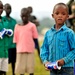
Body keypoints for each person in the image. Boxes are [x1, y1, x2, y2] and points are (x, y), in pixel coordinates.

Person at [40, 2, 75, 75]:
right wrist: (45, 61)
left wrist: (64, 60)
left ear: (67, 17)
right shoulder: (48, 33)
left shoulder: (69, 33)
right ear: (53, 15)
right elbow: (44, 49)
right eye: (57, 13)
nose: (60, 16)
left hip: (67, 69)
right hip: (53, 69)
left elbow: (74, 50)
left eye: (63, 14)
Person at [13, 8, 38, 75]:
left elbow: (35, 38)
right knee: (21, 70)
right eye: (23, 16)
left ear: (28, 16)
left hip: (30, 50)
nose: (24, 18)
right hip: (20, 50)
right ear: (21, 16)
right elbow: (15, 39)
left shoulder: (32, 26)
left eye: (26, 16)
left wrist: (36, 46)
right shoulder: (17, 26)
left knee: (30, 69)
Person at [3, 3, 17, 75]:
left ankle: (13, 73)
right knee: (5, 62)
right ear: (4, 9)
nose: (8, 10)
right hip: (5, 45)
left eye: (10, 8)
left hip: (13, 44)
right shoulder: (2, 20)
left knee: (13, 61)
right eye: (7, 8)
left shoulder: (14, 21)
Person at [0, 1, 12, 75]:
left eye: (1, 8)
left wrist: (8, 32)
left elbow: (10, 32)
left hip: (5, 53)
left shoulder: (5, 21)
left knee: (3, 72)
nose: (0, 10)